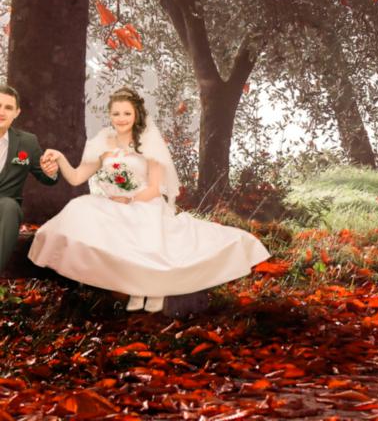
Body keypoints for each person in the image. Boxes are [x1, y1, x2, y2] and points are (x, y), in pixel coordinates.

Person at [28, 87, 270, 312]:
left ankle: (152, 290)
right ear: (110, 115)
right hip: (114, 203)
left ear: (136, 115)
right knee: (79, 207)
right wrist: (60, 158)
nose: (121, 118)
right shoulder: (102, 142)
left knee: (146, 237)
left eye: (126, 113)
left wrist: (130, 199)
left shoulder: (149, 143)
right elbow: (76, 177)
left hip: (144, 202)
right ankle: (133, 287)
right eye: (116, 113)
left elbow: (154, 188)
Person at [0, 84, 59, 272]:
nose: (2, 112)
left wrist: (50, 171)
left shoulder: (27, 142)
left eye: (8, 107)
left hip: (4, 210)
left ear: (16, 112)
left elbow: (47, 178)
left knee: (9, 206)